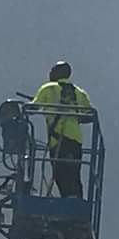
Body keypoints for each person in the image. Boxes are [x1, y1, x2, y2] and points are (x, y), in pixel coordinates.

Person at [32, 61, 92, 198]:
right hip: (76, 140)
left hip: (57, 140)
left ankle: (69, 201)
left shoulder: (48, 88)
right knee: (73, 174)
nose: (50, 73)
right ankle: (76, 202)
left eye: (53, 70)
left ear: (58, 72)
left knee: (61, 174)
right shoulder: (79, 92)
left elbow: (33, 107)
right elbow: (89, 115)